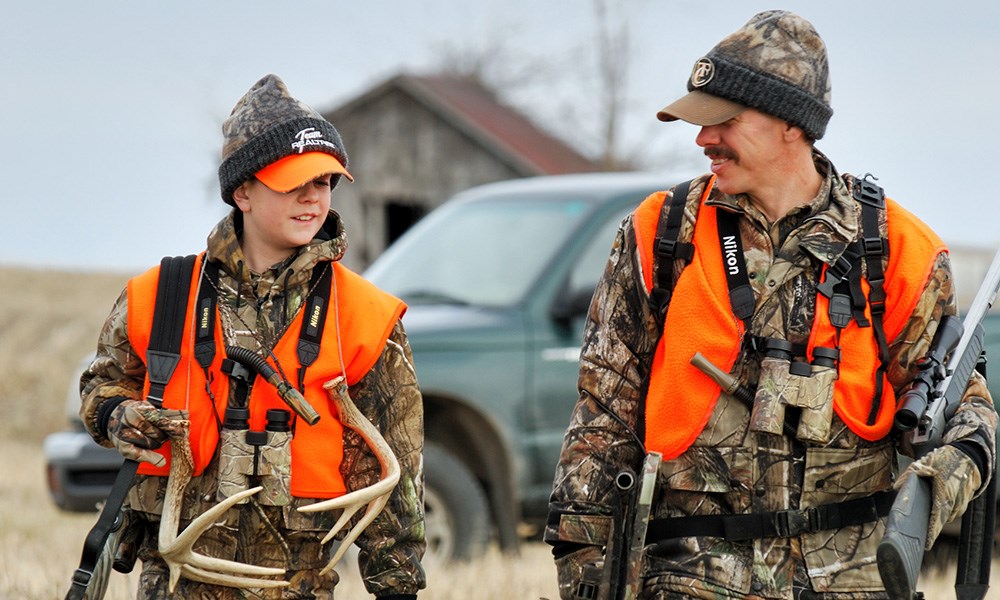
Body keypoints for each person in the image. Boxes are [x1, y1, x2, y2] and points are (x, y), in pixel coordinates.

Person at [545, 10, 996, 599]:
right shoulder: (661, 235)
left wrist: (938, 486)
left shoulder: (897, 250)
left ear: (791, 124)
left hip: (850, 583)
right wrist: (584, 572)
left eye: (724, 121)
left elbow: (970, 411)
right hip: (687, 583)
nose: (703, 138)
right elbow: (602, 416)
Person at [80, 74, 425, 599]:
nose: (314, 198)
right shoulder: (163, 294)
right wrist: (121, 418)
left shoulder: (364, 315)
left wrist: (396, 586)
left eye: (325, 182)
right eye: (295, 182)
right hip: (175, 580)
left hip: (296, 584)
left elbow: (394, 471)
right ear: (242, 190)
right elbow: (101, 387)